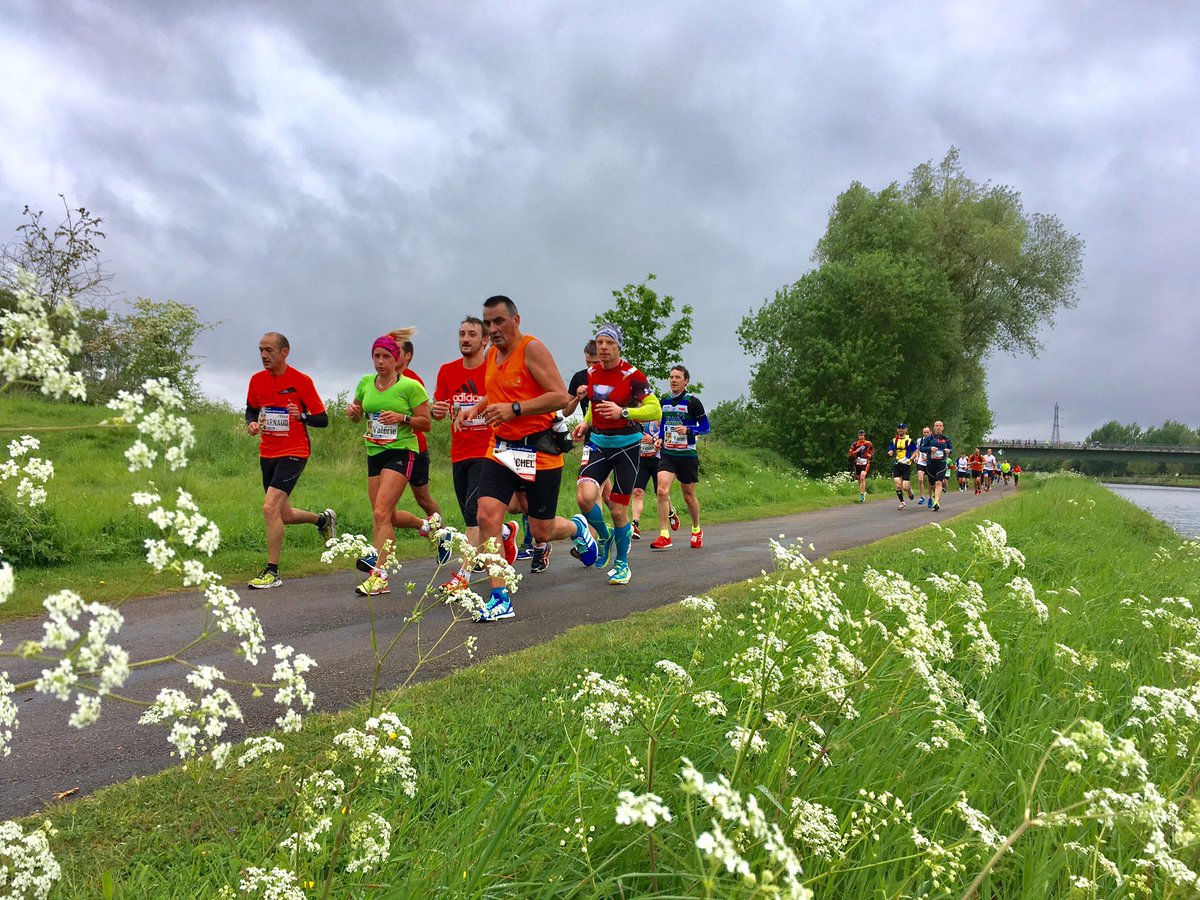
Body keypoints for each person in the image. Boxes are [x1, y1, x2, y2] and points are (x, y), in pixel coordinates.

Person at [459, 295, 598, 622]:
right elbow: (496, 394)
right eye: (488, 323)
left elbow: (559, 396)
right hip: (502, 448)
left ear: (515, 320)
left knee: (542, 531)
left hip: (539, 450)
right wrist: (474, 410)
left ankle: (577, 528)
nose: (492, 329)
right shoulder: (493, 353)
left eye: (498, 322)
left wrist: (515, 409)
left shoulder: (531, 349)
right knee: (487, 516)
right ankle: (499, 597)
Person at [345, 329, 440, 597]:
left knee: (380, 514)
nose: (380, 361)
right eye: (376, 356)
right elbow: (357, 413)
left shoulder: (410, 386)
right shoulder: (366, 382)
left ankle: (380, 576)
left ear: (396, 358)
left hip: (402, 451)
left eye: (386, 356)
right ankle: (425, 526)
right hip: (374, 451)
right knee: (386, 515)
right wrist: (353, 413)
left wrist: (403, 418)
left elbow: (427, 423)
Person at [245, 332, 337, 589]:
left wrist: (302, 416)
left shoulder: (301, 381)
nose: (264, 355)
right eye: (261, 350)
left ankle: (272, 572)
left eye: (269, 350)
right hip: (268, 451)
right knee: (281, 514)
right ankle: (322, 520)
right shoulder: (256, 380)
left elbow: (322, 419)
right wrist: (252, 422)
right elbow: (251, 408)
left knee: (269, 508)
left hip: (295, 450)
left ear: (284, 352)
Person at [571, 324, 661, 584]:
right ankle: (604, 535)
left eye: (608, 343)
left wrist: (624, 412)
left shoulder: (633, 375)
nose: (603, 347)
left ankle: (622, 563)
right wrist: (586, 422)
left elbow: (655, 411)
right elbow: (596, 406)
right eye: (599, 342)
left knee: (619, 510)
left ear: (618, 346)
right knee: (585, 497)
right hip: (598, 442)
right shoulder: (591, 372)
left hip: (627, 445)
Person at [431, 316, 494, 592]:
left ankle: (463, 577)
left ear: (485, 340)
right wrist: (437, 411)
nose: (465, 339)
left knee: (472, 514)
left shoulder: (493, 369)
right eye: (461, 334)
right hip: (459, 453)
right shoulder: (447, 371)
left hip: (488, 451)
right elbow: (440, 406)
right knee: (476, 517)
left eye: (471, 334)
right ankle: (504, 532)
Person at [395, 338, 449, 563]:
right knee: (384, 507)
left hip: (415, 448)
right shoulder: (377, 381)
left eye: (395, 351)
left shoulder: (412, 380)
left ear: (407, 356)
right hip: (387, 450)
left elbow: (424, 418)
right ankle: (379, 559)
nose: (389, 354)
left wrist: (401, 418)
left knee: (423, 499)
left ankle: (442, 537)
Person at [651, 365, 710, 550]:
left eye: (677, 377)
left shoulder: (693, 402)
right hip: (668, 454)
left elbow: (706, 427)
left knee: (688, 496)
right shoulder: (664, 401)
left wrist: (689, 430)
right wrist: (660, 438)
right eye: (671, 377)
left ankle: (696, 529)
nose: (673, 380)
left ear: (686, 381)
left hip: (687, 455)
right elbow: (663, 425)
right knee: (661, 491)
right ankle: (664, 535)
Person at [920, 421, 954, 512]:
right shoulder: (928, 438)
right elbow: (921, 448)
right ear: (934, 428)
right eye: (937, 426)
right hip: (931, 464)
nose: (938, 427)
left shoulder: (946, 438)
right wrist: (930, 449)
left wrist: (949, 451)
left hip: (941, 463)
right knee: (932, 484)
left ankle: (936, 502)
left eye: (940, 426)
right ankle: (935, 494)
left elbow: (952, 449)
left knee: (939, 482)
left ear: (943, 428)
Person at [887, 423, 916, 509]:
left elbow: (915, 451)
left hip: (906, 464)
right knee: (898, 485)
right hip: (897, 464)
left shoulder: (909, 440)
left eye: (902, 428)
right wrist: (890, 452)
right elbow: (891, 449)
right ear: (897, 430)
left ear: (906, 430)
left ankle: (909, 490)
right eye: (899, 428)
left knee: (905, 487)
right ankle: (902, 502)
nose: (901, 430)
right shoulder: (894, 440)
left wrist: (911, 459)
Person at [849, 429, 874, 503]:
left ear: (864, 435)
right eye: (859, 435)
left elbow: (872, 450)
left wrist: (870, 454)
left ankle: (861, 495)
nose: (861, 436)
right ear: (858, 436)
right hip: (858, 462)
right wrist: (853, 452)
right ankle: (863, 491)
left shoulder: (868, 443)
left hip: (866, 461)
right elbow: (850, 453)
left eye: (862, 435)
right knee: (859, 478)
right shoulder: (855, 444)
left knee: (863, 477)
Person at [914, 426, 932, 505]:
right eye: (924, 432)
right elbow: (917, 449)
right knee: (920, 479)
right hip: (921, 462)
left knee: (929, 482)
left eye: (927, 432)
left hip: (929, 463)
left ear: (930, 432)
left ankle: (930, 498)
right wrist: (917, 457)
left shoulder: (932, 441)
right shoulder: (919, 440)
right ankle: (922, 497)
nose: (926, 434)